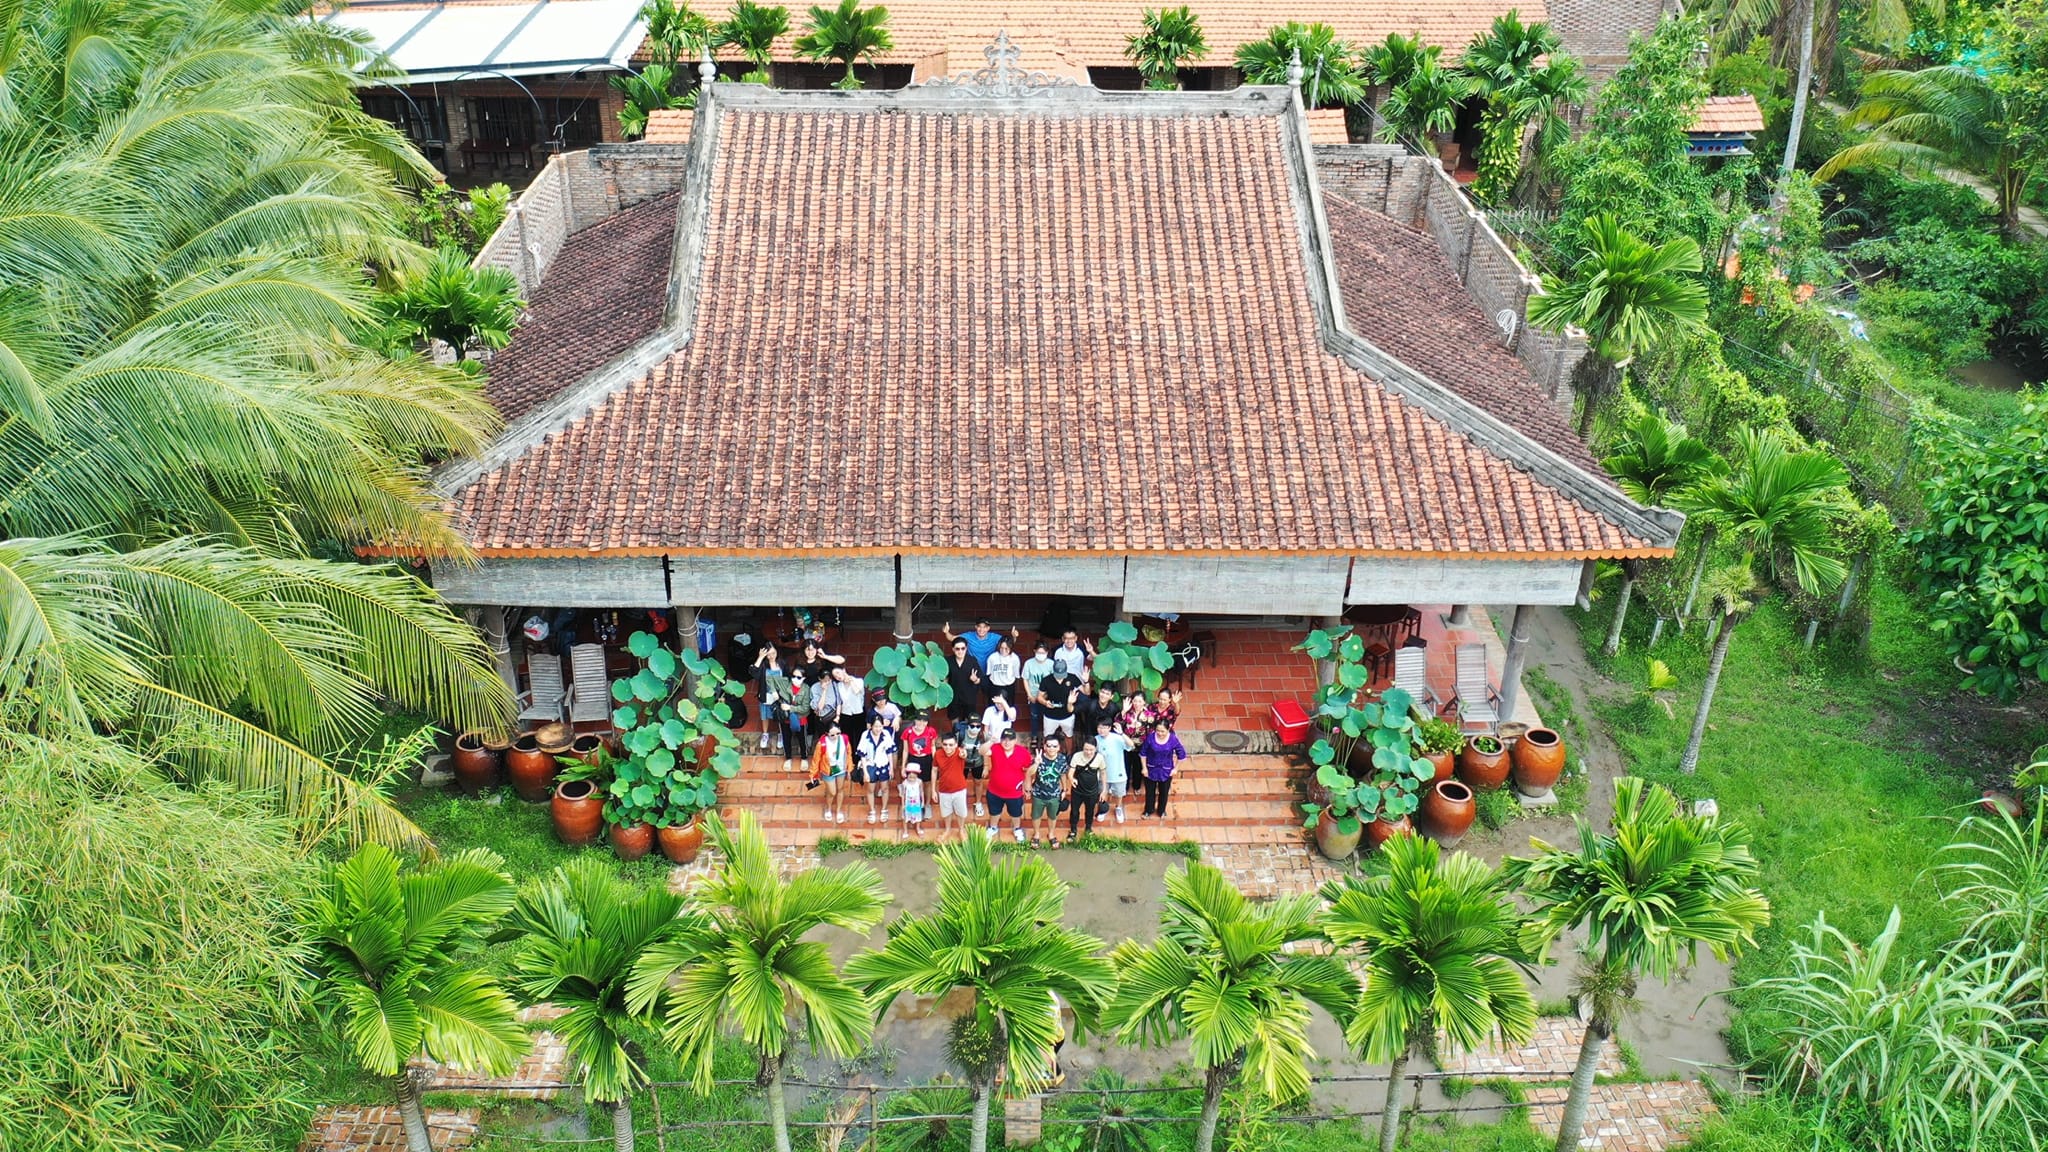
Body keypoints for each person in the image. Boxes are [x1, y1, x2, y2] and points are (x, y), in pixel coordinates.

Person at [985, 728, 1032, 844]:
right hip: (994, 790)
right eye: (1004, 739)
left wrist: (1027, 787)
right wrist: (990, 741)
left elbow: (1028, 771)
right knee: (994, 812)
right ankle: (993, 828)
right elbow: (982, 751)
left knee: (1016, 813)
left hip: (1014, 793)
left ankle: (1017, 829)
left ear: (1015, 740)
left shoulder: (1023, 752)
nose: (1007, 742)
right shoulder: (995, 748)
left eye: (1010, 740)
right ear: (1001, 740)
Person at [1139, 720, 1187, 819]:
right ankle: (1148, 810)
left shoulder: (1173, 739)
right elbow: (1143, 753)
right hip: (1151, 768)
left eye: (1162, 731)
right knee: (1150, 792)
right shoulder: (1151, 738)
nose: (1160, 733)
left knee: (1164, 792)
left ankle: (1161, 810)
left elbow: (1181, 754)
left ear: (1168, 730)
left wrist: (1175, 769)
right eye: (1158, 731)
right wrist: (1144, 768)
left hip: (1166, 770)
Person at [1029, 735, 1069, 849]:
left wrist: (1064, 789)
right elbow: (1030, 773)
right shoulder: (1038, 757)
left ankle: (1051, 834)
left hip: (1054, 794)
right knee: (1036, 816)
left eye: (1054, 746)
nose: (1051, 748)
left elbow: (1062, 774)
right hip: (1038, 793)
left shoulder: (1061, 759)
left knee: (1052, 816)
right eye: (1049, 746)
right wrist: (1036, 763)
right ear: (1045, 747)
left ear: (1058, 747)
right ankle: (1036, 834)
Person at [856, 716, 896, 824]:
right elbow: (862, 755)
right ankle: (872, 811)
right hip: (870, 765)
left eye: (880, 726)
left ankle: (884, 809)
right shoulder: (865, 735)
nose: (878, 729)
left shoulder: (886, 734)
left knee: (885, 788)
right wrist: (865, 772)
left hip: (883, 764)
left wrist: (891, 768)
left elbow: (889, 752)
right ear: (871, 726)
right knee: (870, 789)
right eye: (876, 726)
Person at [809, 722, 851, 824]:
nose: (835, 736)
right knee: (832, 792)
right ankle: (828, 808)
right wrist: (813, 774)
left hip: (841, 769)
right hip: (827, 770)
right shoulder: (822, 743)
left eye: (838, 733)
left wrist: (849, 768)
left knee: (840, 789)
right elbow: (816, 759)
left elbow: (849, 754)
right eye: (832, 735)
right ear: (827, 733)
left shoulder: (844, 739)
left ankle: (838, 810)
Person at [932, 733, 971, 841]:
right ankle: (947, 830)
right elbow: (934, 770)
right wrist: (933, 791)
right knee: (946, 812)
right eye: (945, 744)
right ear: (941, 744)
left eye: (951, 744)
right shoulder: (938, 754)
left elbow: (964, 754)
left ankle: (961, 829)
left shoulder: (960, 752)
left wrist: (964, 753)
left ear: (956, 745)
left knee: (961, 812)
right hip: (944, 790)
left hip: (959, 789)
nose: (948, 747)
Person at [1094, 720, 1133, 824]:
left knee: (1119, 793)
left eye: (1104, 728)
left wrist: (1122, 733)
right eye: (1099, 727)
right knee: (1102, 792)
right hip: (1103, 774)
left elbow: (1131, 745)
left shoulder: (1118, 738)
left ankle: (1118, 807)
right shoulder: (1095, 739)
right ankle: (1103, 808)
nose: (1101, 730)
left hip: (1118, 772)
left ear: (1109, 728)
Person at [753, 644, 789, 754]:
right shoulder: (763, 665)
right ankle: (765, 734)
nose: (772, 656)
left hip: (779, 696)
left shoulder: (782, 663)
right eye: (769, 655)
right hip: (766, 694)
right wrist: (760, 657)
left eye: (773, 653)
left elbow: (787, 678)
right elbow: (754, 673)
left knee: (780, 715)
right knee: (765, 715)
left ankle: (780, 734)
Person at [943, 618, 1015, 671]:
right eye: (979, 626)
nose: (981, 629)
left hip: (989, 671)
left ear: (988, 628)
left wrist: (1014, 636)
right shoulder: (969, 636)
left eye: (984, 627)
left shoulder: (994, 637)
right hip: (972, 671)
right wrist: (946, 632)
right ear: (976, 627)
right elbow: (952, 638)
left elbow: (1009, 643)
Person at [1067, 736, 1102, 840]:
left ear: (1095, 748)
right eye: (1086, 749)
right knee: (1074, 811)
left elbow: (1103, 773)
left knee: (1090, 811)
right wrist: (1071, 779)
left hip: (1092, 791)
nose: (1088, 752)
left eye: (1091, 750)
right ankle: (1073, 830)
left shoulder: (1099, 758)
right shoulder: (1076, 756)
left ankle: (1088, 828)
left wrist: (1104, 789)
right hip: (1078, 790)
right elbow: (1071, 771)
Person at [1036, 664, 1083, 742]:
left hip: (1067, 714)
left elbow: (1086, 691)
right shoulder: (1046, 680)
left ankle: (1069, 753)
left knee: (1069, 736)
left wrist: (1086, 681)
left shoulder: (1072, 678)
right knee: (1047, 737)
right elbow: (1039, 697)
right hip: (1050, 715)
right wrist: (1045, 702)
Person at [944, 638, 983, 724]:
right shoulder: (948, 661)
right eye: (957, 649)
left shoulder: (972, 661)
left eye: (963, 648)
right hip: (953, 697)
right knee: (955, 722)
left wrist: (975, 679)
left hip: (969, 697)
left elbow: (979, 680)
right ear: (953, 649)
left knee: (968, 722)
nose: (960, 651)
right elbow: (945, 679)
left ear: (966, 648)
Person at [780, 669, 812, 772]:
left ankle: (804, 758)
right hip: (786, 718)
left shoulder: (806, 689)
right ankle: (788, 758)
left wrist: (790, 708)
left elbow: (805, 708)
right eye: (793, 676)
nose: (795, 679)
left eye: (798, 677)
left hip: (800, 719)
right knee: (786, 738)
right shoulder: (786, 685)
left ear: (804, 678)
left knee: (802, 739)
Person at [1020, 642, 1055, 735]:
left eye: (1043, 653)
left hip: (1047, 696)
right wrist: (1029, 695)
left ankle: (1047, 736)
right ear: (1034, 651)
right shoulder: (1029, 663)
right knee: (1034, 716)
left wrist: (1044, 695)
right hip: (1033, 695)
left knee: (1047, 717)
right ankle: (1034, 735)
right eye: (1039, 653)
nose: (1041, 655)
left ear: (1047, 652)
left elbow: (1054, 681)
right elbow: (1025, 679)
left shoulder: (1051, 664)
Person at [901, 710, 938, 781]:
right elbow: (905, 750)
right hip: (913, 759)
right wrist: (903, 766)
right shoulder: (907, 732)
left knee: (927, 782)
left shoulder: (931, 731)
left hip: (927, 759)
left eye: (924, 721)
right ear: (915, 720)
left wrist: (935, 761)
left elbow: (933, 746)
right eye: (919, 720)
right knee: (913, 781)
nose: (921, 723)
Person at [984, 637, 1021, 706]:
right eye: (1001, 648)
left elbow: (1016, 675)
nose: (1003, 650)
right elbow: (989, 673)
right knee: (993, 708)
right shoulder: (992, 657)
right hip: (995, 686)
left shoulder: (1015, 658)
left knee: (1008, 708)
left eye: (1006, 648)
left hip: (1009, 686)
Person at [833, 668, 866, 738]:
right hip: (845, 713)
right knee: (847, 736)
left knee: (859, 735)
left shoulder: (859, 681)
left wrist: (850, 681)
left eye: (838, 673)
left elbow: (856, 691)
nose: (837, 677)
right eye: (835, 676)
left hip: (858, 712)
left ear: (843, 670)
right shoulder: (838, 685)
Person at [900, 764, 925, 838]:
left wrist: (923, 801)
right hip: (908, 803)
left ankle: (918, 828)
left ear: (917, 775)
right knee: (905, 816)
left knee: (917, 815)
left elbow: (921, 792)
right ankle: (905, 830)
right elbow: (902, 794)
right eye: (910, 777)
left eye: (914, 777)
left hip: (916, 803)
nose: (911, 779)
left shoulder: (919, 782)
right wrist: (903, 804)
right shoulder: (904, 783)